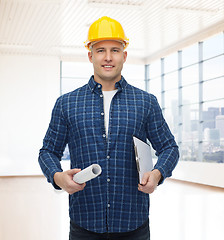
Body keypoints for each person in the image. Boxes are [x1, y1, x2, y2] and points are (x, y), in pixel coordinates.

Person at [38, 16, 179, 240]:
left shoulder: (145, 102)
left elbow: (169, 147)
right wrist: (57, 177)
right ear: (90, 55)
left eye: (115, 49)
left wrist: (157, 173)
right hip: (84, 221)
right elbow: (48, 151)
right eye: (100, 49)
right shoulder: (67, 103)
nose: (108, 57)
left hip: (133, 222)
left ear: (124, 55)